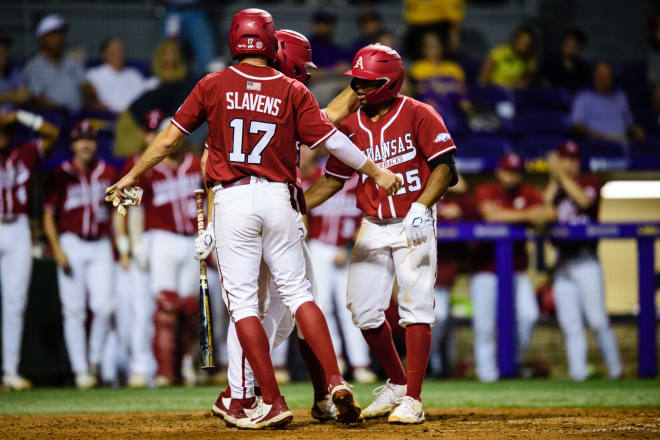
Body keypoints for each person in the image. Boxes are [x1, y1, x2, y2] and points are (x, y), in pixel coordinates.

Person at [106, 9, 399, 429]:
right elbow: (332, 137)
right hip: (282, 202)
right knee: (301, 297)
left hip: (235, 202)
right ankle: (325, 382)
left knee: (244, 306)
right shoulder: (290, 89)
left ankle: (268, 399)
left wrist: (133, 175)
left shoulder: (213, 83)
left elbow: (179, 144)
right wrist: (376, 170)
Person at [205, 29, 368, 427]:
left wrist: (211, 220)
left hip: (240, 208)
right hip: (272, 211)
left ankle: (245, 391)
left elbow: (211, 164)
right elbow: (328, 123)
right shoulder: (287, 94)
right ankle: (244, 393)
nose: (307, 75)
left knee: (259, 311)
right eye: (304, 66)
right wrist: (359, 91)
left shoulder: (240, 95)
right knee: (276, 306)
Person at [305, 43, 458, 424]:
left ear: (389, 83)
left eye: (366, 82)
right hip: (373, 223)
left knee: (416, 305)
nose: (358, 87)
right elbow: (331, 181)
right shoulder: (351, 125)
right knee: (364, 309)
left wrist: (423, 206)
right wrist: (294, 207)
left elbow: (445, 168)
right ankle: (396, 382)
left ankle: (415, 400)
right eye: (355, 80)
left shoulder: (420, 113)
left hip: (414, 221)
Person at [118, 117, 202, 387]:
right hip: (161, 238)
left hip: (191, 238)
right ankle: (165, 371)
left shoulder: (194, 162)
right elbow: (133, 208)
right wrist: (134, 243)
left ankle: (186, 366)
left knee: (189, 307)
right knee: (165, 307)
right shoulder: (146, 165)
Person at [469, 152, 555, 382]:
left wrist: (528, 214)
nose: (511, 176)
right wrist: (528, 215)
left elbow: (550, 212)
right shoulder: (487, 189)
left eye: (516, 172)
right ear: (499, 171)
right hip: (486, 270)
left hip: (517, 270)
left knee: (528, 315)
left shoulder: (526, 192)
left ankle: (511, 362)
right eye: (508, 171)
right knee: (485, 325)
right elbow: (491, 216)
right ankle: (487, 375)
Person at [43, 120, 116, 389]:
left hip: (100, 243)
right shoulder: (60, 174)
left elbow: (116, 211)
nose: (86, 144)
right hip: (71, 242)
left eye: (91, 139)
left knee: (105, 306)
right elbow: (48, 216)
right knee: (74, 311)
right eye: (81, 139)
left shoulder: (107, 171)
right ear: (73, 144)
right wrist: (58, 249)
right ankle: (81, 370)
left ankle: (94, 359)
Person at [544, 141, 623, 381]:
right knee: (571, 325)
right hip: (563, 261)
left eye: (574, 159)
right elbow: (542, 205)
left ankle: (617, 371)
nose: (570, 163)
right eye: (565, 158)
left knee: (597, 320)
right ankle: (578, 376)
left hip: (586, 259)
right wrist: (553, 179)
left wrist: (559, 174)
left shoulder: (590, 181)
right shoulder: (557, 187)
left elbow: (584, 201)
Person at [303, 146, 377, 384]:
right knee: (322, 307)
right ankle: (334, 363)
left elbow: (368, 217)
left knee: (350, 309)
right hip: (319, 247)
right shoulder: (314, 178)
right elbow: (304, 215)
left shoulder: (358, 180)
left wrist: (347, 248)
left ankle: (360, 364)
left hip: (348, 249)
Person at [0, 110, 58, 390]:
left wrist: (21, 116)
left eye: (5, 130)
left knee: (15, 303)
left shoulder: (24, 151)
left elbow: (53, 133)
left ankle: (10, 370)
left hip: (18, 227)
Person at [23, 14, 89, 111]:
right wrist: (60, 110)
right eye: (54, 34)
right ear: (42, 39)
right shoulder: (33, 67)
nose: (59, 38)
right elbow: (37, 99)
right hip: (51, 118)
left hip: (79, 116)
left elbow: (86, 87)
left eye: (61, 34)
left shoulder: (72, 62)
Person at [409, 31, 472, 131]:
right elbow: (419, 93)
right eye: (429, 47)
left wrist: (467, 106)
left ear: (442, 47)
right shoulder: (418, 68)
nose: (434, 50)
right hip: (430, 112)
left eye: (436, 46)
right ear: (423, 49)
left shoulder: (453, 68)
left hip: (453, 111)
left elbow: (462, 92)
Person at [570, 62, 645, 143]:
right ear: (594, 77)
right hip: (597, 143)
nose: (604, 80)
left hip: (622, 142)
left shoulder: (620, 96)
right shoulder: (583, 97)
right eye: (601, 77)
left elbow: (629, 123)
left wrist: (637, 130)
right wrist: (596, 135)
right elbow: (576, 124)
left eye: (608, 77)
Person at [86, 37, 151, 114]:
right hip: (107, 117)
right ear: (103, 54)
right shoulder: (92, 75)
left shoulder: (134, 74)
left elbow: (145, 98)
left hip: (134, 118)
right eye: (114, 51)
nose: (119, 54)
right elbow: (91, 102)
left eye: (121, 51)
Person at [541, 27, 591, 93]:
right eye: (567, 45)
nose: (569, 50)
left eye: (574, 47)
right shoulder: (551, 62)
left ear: (580, 49)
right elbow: (543, 83)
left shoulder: (583, 69)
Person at [0, 36, 29, 110]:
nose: (3, 51)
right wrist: (12, 94)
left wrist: (4, 96)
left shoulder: (14, 68)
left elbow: (24, 96)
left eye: (5, 48)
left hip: (13, 117)